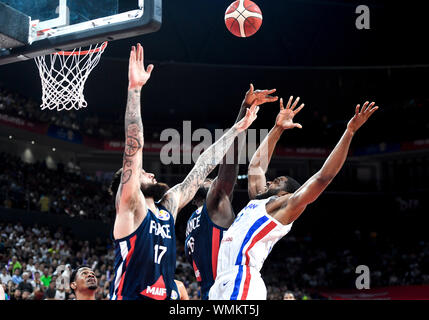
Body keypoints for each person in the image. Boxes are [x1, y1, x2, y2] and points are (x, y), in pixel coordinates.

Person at [108, 44, 260, 301]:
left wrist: (238, 129)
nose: (151, 175)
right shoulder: (130, 206)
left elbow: (202, 168)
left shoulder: (167, 207)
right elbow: (134, 143)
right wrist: (134, 90)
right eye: (144, 173)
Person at [209, 98, 379, 300]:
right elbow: (255, 166)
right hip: (222, 280)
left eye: (278, 180)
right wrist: (277, 128)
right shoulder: (258, 201)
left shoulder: (282, 206)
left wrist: (349, 132)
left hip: (242, 277)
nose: (271, 180)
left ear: (285, 193)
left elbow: (323, 177)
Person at [185, 84, 278, 299]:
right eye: (211, 180)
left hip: (210, 293)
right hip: (228, 291)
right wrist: (242, 120)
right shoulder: (215, 204)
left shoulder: (191, 222)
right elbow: (228, 170)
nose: (213, 181)